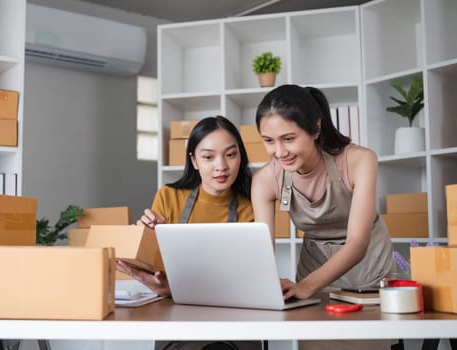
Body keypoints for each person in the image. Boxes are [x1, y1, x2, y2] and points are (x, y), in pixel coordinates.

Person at [251, 84, 396, 349]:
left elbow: (357, 243)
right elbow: (262, 252)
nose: (279, 152)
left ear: (316, 129)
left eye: (289, 138)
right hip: (313, 271)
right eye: (269, 141)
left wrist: (306, 286)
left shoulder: (359, 160)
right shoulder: (264, 180)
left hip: (367, 271)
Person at [117, 116, 261, 350]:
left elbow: (249, 281)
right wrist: (146, 243)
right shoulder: (168, 197)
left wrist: (174, 287)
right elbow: (157, 270)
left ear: (240, 156)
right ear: (194, 161)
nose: (221, 166)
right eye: (208, 157)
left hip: (234, 321)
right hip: (178, 320)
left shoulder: (252, 205)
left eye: (230, 154)